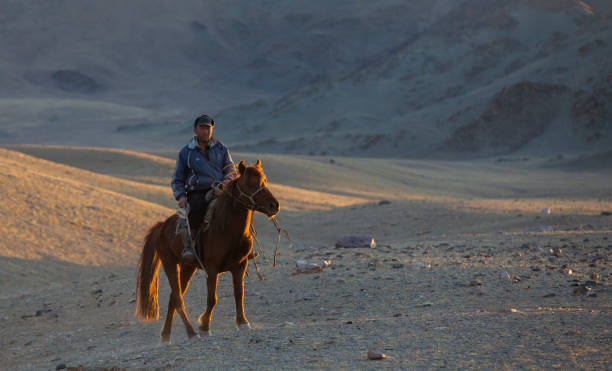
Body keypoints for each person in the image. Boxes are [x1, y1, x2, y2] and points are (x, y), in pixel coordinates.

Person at [171, 113, 236, 263]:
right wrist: (181, 196)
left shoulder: (221, 148)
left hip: (221, 189)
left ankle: (243, 246)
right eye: (202, 128)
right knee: (195, 209)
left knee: (240, 206)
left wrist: (226, 182)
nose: (206, 131)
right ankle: (190, 247)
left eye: (208, 128)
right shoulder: (186, 152)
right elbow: (177, 178)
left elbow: (231, 170)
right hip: (198, 191)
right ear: (195, 130)